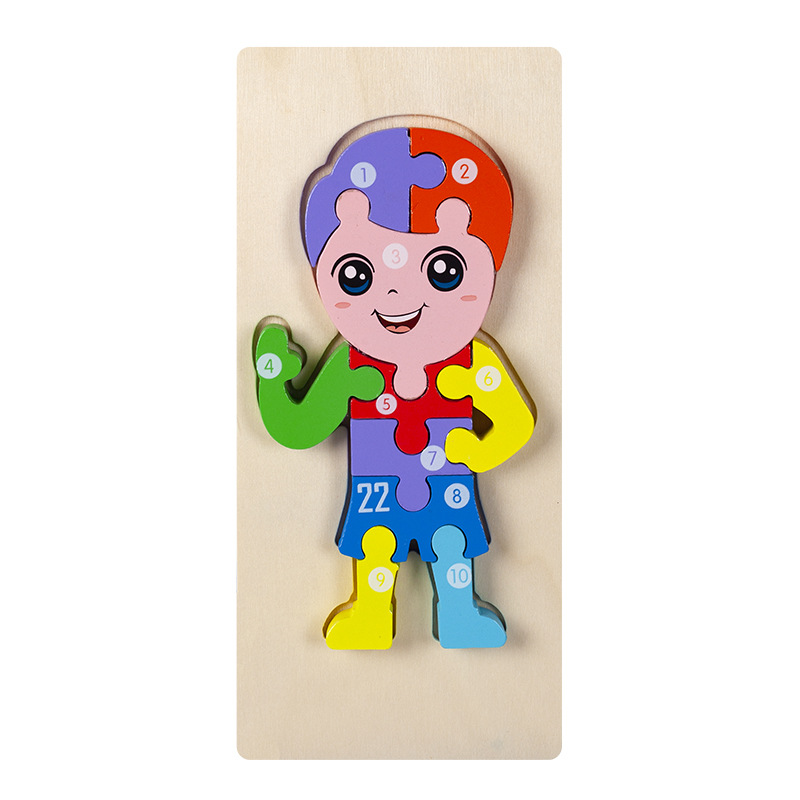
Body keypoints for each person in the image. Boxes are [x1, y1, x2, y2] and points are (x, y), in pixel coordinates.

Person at [255, 119, 534, 649]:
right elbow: (300, 426)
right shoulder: (351, 362)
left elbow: (516, 420)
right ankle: (371, 614)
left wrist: (479, 448)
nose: (398, 296)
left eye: (444, 271)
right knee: (376, 547)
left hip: (447, 483)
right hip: (377, 486)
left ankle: (458, 614)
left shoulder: (472, 360)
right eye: (358, 275)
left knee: (452, 545)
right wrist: (273, 378)